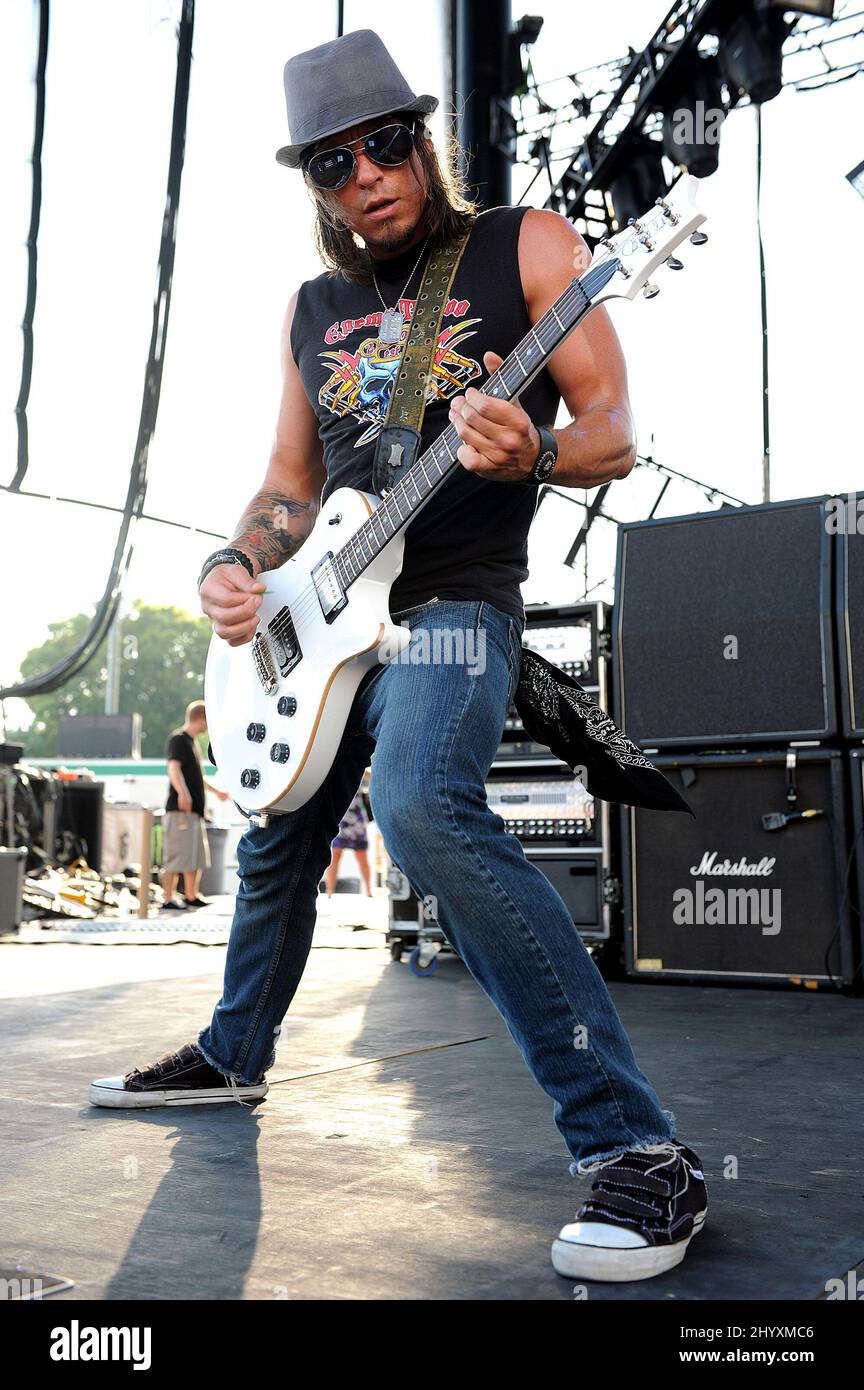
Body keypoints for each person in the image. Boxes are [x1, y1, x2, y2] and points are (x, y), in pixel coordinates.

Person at [90, 30, 708, 1284]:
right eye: (333, 162)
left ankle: (639, 1151)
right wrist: (236, 562)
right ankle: (232, 1051)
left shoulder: (525, 247)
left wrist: (528, 451)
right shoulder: (313, 309)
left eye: (382, 144)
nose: (364, 174)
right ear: (314, 183)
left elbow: (612, 433)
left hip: (450, 605)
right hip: (321, 612)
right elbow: (287, 484)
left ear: (419, 140)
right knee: (275, 833)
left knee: (423, 809)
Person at [162, 700, 229, 910]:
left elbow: (198, 777)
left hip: (195, 812)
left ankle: (191, 895)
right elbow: (174, 769)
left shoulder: (192, 743)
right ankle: (168, 897)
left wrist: (217, 792)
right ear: (200, 719)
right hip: (180, 809)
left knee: (195, 855)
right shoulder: (178, 740)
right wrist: (183, 793)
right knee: (176, 854)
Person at [324, 777, 373, 898]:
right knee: (334, 854)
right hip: (341, 815)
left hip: (356, 816)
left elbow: (371, 775)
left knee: (361, 854)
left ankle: (369, 890)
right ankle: (329, 891)